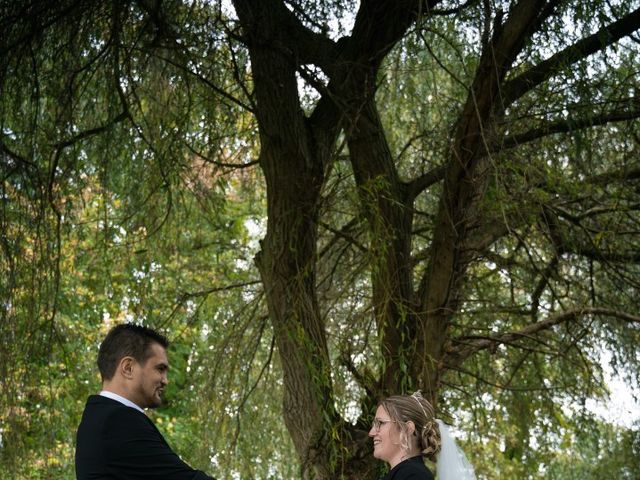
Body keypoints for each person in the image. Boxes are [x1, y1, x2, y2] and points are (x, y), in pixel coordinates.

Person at [75, 323, 215, 479]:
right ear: (128, 368)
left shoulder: (97, 417)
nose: (165, 381)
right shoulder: (118, 420)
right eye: (160, 369)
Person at [369, 391, 475, 480]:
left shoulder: (413, 476)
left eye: (381, 423)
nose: (371, 433)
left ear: (407, 429)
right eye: (374, 425)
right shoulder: (404, 474)